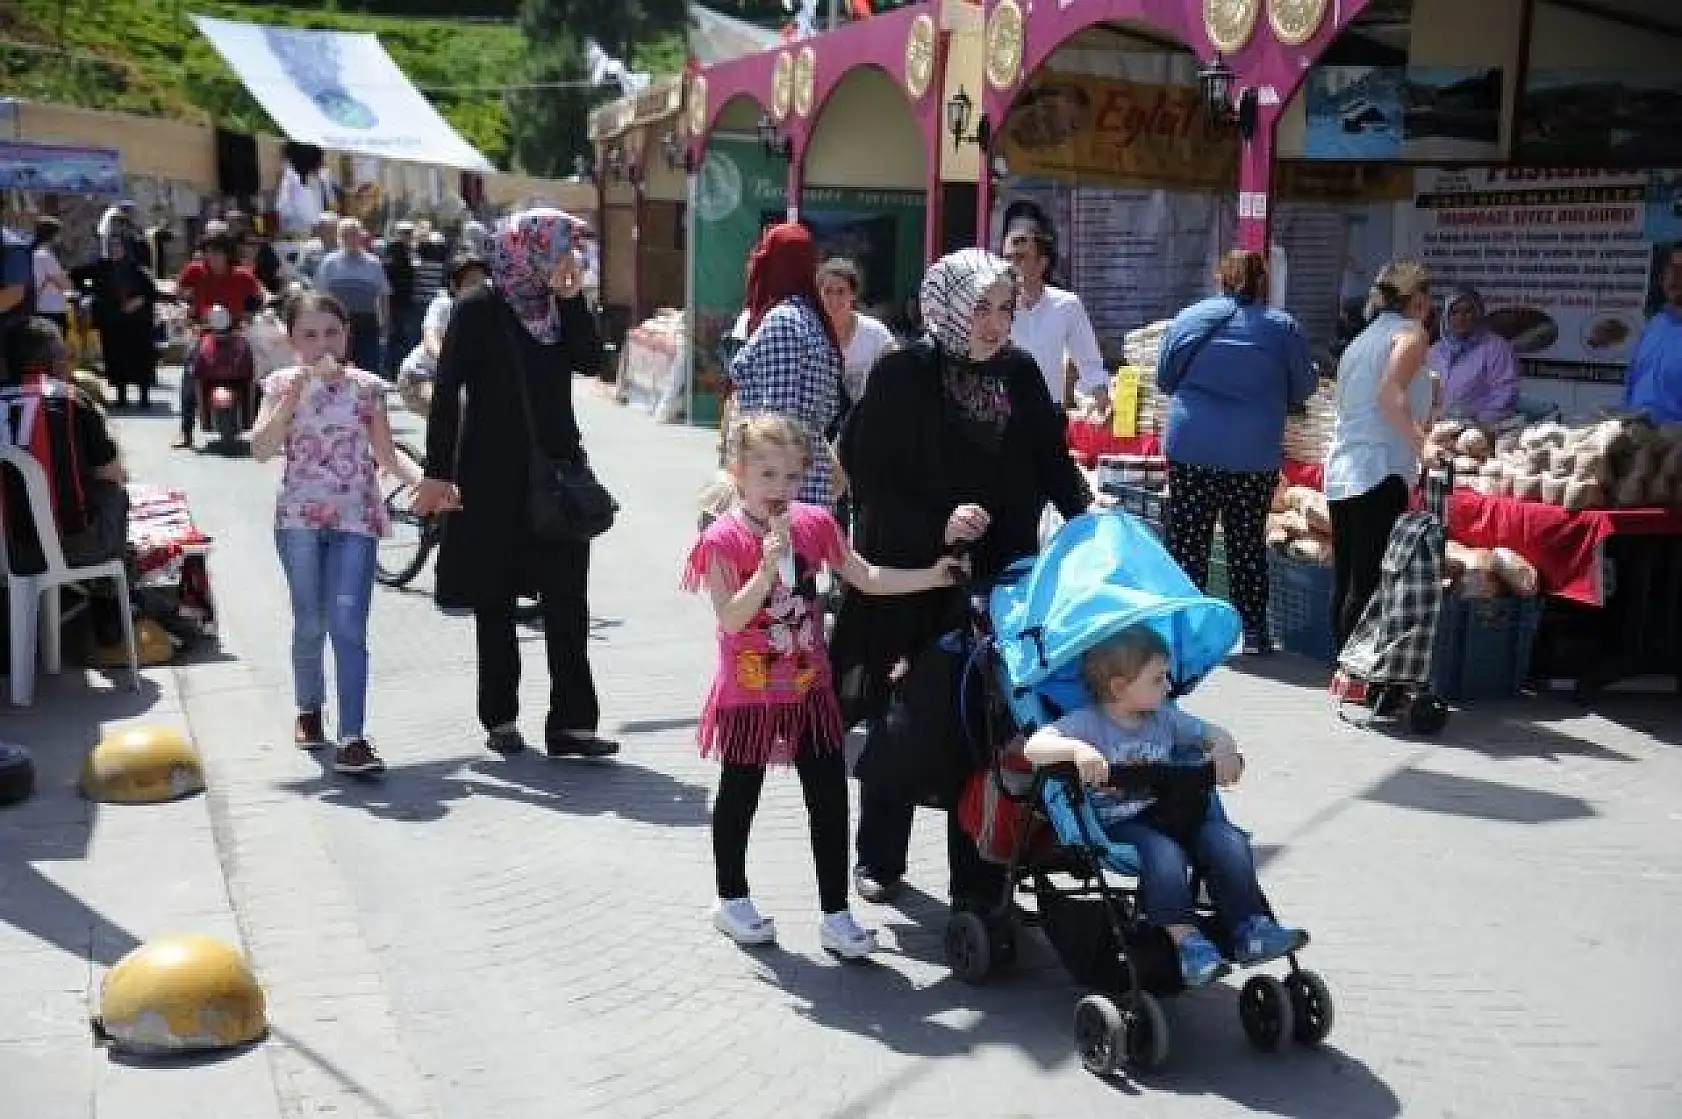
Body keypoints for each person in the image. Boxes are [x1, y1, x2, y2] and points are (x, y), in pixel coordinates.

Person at [830, 248, 1095, 908]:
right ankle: (879, 857)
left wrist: (1091, 519)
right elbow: (870, 477)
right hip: (911, 580)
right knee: (904, 721)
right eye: (980, 307)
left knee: (983, 728)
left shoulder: (1020, 373)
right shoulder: (902, 372)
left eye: (1005, 309)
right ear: (946, 304)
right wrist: (938, 522)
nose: (995, 323)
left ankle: (976, 880)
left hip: (996, 584)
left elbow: (1052, 462)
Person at [684, 412, 968, 956]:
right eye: (767, 475)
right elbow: (731, 619)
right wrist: (765, 572)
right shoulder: (722, 541)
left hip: (810, 687)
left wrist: (932, 575)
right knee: (741, 792)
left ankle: (835, 912)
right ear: (739, 473)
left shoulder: (815, 525)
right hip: (751, 691)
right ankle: (730, 897)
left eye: (791, 477)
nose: (780, 490)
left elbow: (866, 576)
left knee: (829, 797)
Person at [411, 208, 617, 760]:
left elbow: (591, 362)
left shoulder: (557, 307)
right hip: (491, 480)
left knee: (568, 600)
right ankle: (500, 718)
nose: (568, 258)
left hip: (556, 472)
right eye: (560, 247)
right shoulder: (478, 308)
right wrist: (438, 474)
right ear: (528, 249)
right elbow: (448, 392)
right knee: (495, 600)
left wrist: (573, 300)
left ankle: (572, 724)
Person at [1022, 625, 1308, 987]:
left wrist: (1223, 749)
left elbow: (1210, 731)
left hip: (1172, 813)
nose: (1168, 686)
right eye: (1157, 679)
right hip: (1120, 825)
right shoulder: (1088, 724)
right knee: (1164, 852)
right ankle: (1187, 942)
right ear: (1119, 688)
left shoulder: (1166, 717)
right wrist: (1077, 751)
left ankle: (1251, 926)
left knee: (1227, 839)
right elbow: (1035, 747)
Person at [249, 293, 424, 776]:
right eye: (309, 334)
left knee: (348, 625)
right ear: (291, 341)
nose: (322, 344)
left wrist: (423, 482)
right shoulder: (279, 385)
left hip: (356, 520)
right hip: (299, 521)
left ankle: (354, 738)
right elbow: (260, 450)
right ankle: (309, 707)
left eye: (331, 332)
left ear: (346, 335)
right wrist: (292, 396)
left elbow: (387, 456)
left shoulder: (368, 389)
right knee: (310, 622)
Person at [1157, 250, 1317, 655]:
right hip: (1252, 454)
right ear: (1263, 282)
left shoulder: (1189, 319)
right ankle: (1255, 631)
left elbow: (1164, 379)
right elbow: (1305, 386)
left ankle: (1185, 633)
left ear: (1220, 279)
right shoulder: (1282, 328)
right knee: (1246, 541)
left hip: (1192, 447)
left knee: (1187, 540)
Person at [1324, 261, 1437, 652]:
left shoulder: (1362, 339)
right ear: (1419, 302)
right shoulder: (1411, 334)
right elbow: (1390, 395)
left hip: (1345, 466)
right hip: (1380, 468)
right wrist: (1426, 446)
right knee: (1368, 581)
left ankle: (1342, 666)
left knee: (1348, 579)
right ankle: (1358, 670)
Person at [0, 317, 130, 644]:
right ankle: (107, 605)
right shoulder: (72, 400)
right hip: (73, 547)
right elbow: (110, 473)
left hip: (9, 550)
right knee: (114, 493)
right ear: (55, 357)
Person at [728, 222, 844, 509]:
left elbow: (777, 423)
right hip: (804, 488)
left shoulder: (784, 322)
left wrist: (772, 504)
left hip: (779, 500)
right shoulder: (812, 321)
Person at [1000, 202, 1109, 414]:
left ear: (1042, 262)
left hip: (1048, 415)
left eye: (1020, 258)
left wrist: (1101, 394)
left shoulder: (1067, 305)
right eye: (1007, 258)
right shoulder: (994, 308)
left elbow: (1089, 363)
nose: (1011, 266)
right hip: (1002, 417)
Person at [71, 234, 158, 410]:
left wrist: (139, 301)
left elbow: (151, 293)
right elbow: (74, 274)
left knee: (140, 358)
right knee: (116, 358)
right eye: (111, 247)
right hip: (112, 321)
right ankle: (121, 395)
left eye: (118, 246)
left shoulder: (137, 269)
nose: (115, 250)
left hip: (137, 323)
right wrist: (89, 292)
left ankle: (144, 396)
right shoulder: (102, 267)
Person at [397, 253, 487, 415]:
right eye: (472, 282)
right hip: (420, 376)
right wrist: (448, 360)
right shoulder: (443, 305)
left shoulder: (485, 312)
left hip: (453, 381)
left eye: (482, 282)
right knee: (449, 411)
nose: (478, 288)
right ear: (454, 285)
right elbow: (430, 337)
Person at [1429, 288, 1519, 423]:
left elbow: (1505, 391)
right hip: (1438, 428)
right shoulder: (1436, 350)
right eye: (1454, 312)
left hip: (1480, 430)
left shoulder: (1496, 347)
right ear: (1446, 316)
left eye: (1467, 311)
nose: (1460, 317)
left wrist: (1478, 422)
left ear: (1478, 314)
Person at [313, 218, 390, 375]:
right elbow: (319, 295)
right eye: (346, 235)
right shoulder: (329, 263)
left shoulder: (373, 263)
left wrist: (385, 324)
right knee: (336, 368)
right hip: (336, 324)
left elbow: (383, 295)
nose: (351, 239)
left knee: (368, 370)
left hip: (367, 323)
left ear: (361, 236)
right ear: (339, 238)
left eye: (354, 234)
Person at [816, 257, 896, 405]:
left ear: (853, 295)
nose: (834, 299)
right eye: (827, 291)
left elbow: (896, 377)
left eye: (841, 292)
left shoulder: (876, 335)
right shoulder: (811, 334)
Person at [1625, 246, 1682, 423]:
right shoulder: (1656, 324)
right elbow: (1632, 383)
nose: (1674, 277)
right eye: (1670, 270)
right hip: (1636, 435)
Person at [382, 223, 418, 378]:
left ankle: (397, 371)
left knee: (403, 339)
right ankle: (393, 371)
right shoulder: (392, 251)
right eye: (404, 232)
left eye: (409, 232)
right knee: (397, 338)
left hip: (406, 302)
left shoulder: (411, 252)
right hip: (394, 302)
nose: (406, 235)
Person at [31, 218, 72, 338]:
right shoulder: (46, 256)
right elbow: (65, 285)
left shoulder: (32, 253)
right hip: (52, 308)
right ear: (53, 235)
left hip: (37, 307)